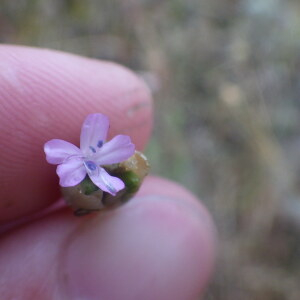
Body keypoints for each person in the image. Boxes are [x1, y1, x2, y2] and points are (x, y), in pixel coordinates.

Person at [0, 45, 216, 300]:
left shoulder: (102, 172)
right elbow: (69, 170)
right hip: (78, 173)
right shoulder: (74, 163)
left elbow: (110, 179)